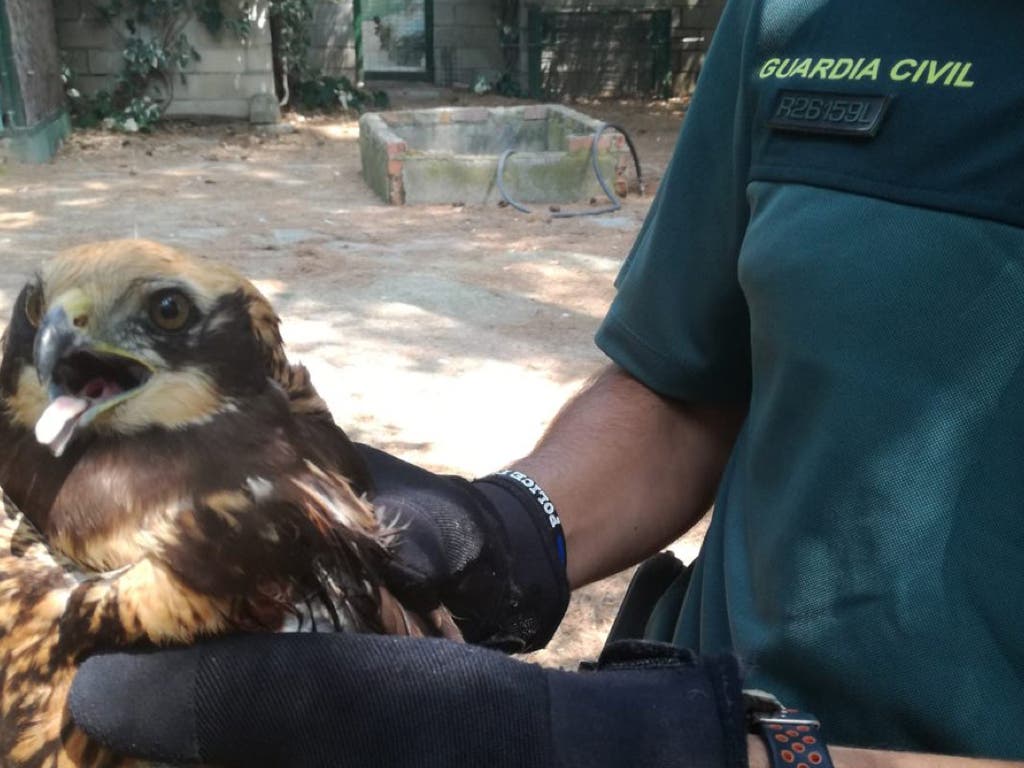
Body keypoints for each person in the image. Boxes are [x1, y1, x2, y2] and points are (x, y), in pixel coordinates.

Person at [69, 0, 1024, 765]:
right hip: (702, 677)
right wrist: (503, 529)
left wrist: (670, 749)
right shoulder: (800, 18)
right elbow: (686, 385)